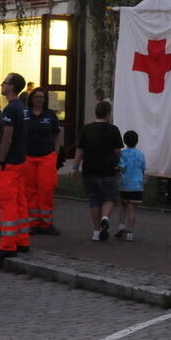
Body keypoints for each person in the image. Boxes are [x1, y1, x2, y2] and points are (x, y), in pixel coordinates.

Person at [0, 73, 32, 263]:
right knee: (20, 201)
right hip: (20, 161)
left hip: (11, 163)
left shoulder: (10, 109)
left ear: (12, 87)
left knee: (7, 204)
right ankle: (22, 240)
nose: (2, 85)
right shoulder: (21, 108)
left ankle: (7, 245)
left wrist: (1, 160)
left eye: (5, 83)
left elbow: (7, 137)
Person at [72, 100, 123, 241]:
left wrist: (75, 167)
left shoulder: (86, 129)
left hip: (89, 169)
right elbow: (117, 151)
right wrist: (116, 162)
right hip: (107, 170)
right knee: (109, 197)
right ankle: (105, 217)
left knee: (94, 199)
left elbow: (80, 150)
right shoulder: (113, 130)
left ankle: (96, 230)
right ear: (108, 114)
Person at [24, 87, 62, 235]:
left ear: (45, 99)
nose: (39, 99)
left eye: (41, 97)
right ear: (31, 99)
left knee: (46, 190)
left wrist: (56, 151)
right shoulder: (25, 114)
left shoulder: (50, 115)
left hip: (46, 157)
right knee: (30, 191)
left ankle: (46, 223)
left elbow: (57, 134)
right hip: (28, 157)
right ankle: (33, 222)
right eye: (36, 96)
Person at [115, 130, 145, 242]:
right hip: (137, 185)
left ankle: (121, 225)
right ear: (137, 141)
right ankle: (130, 233)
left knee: (122, 206)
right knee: (132, 209)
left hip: (124, 184)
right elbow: (143, 169)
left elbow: (120, 167)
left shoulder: (122, 153)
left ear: (124, 141)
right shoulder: (141, 154)